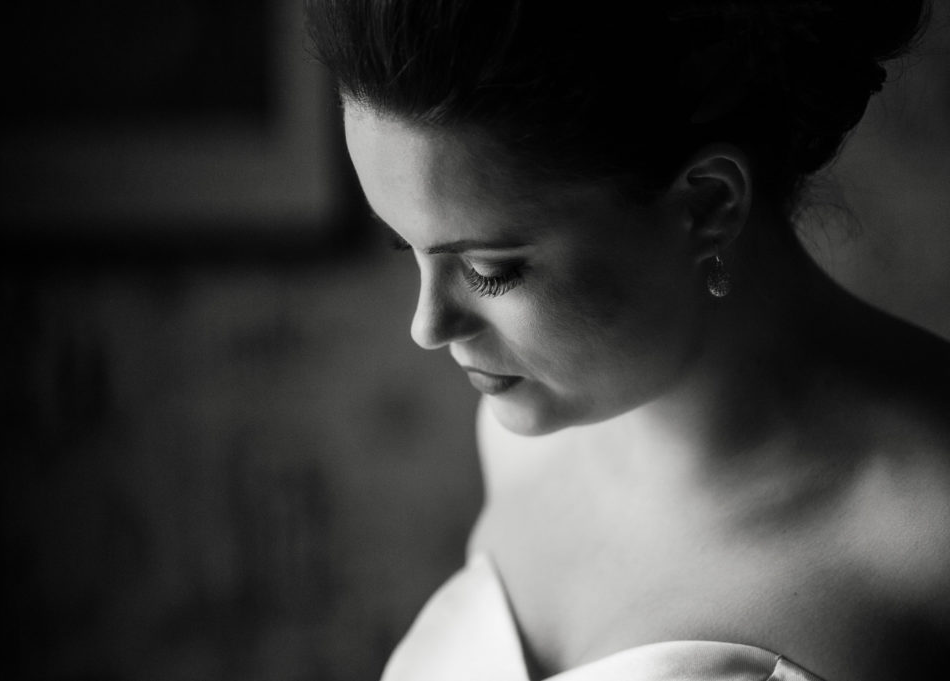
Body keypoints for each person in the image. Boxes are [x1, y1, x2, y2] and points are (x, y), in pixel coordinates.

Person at [306, 1, 950, 679]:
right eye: (402, 242)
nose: (427, 325)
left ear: (707, 205)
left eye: (488, 268)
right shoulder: (520, 443)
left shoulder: (928, 530)